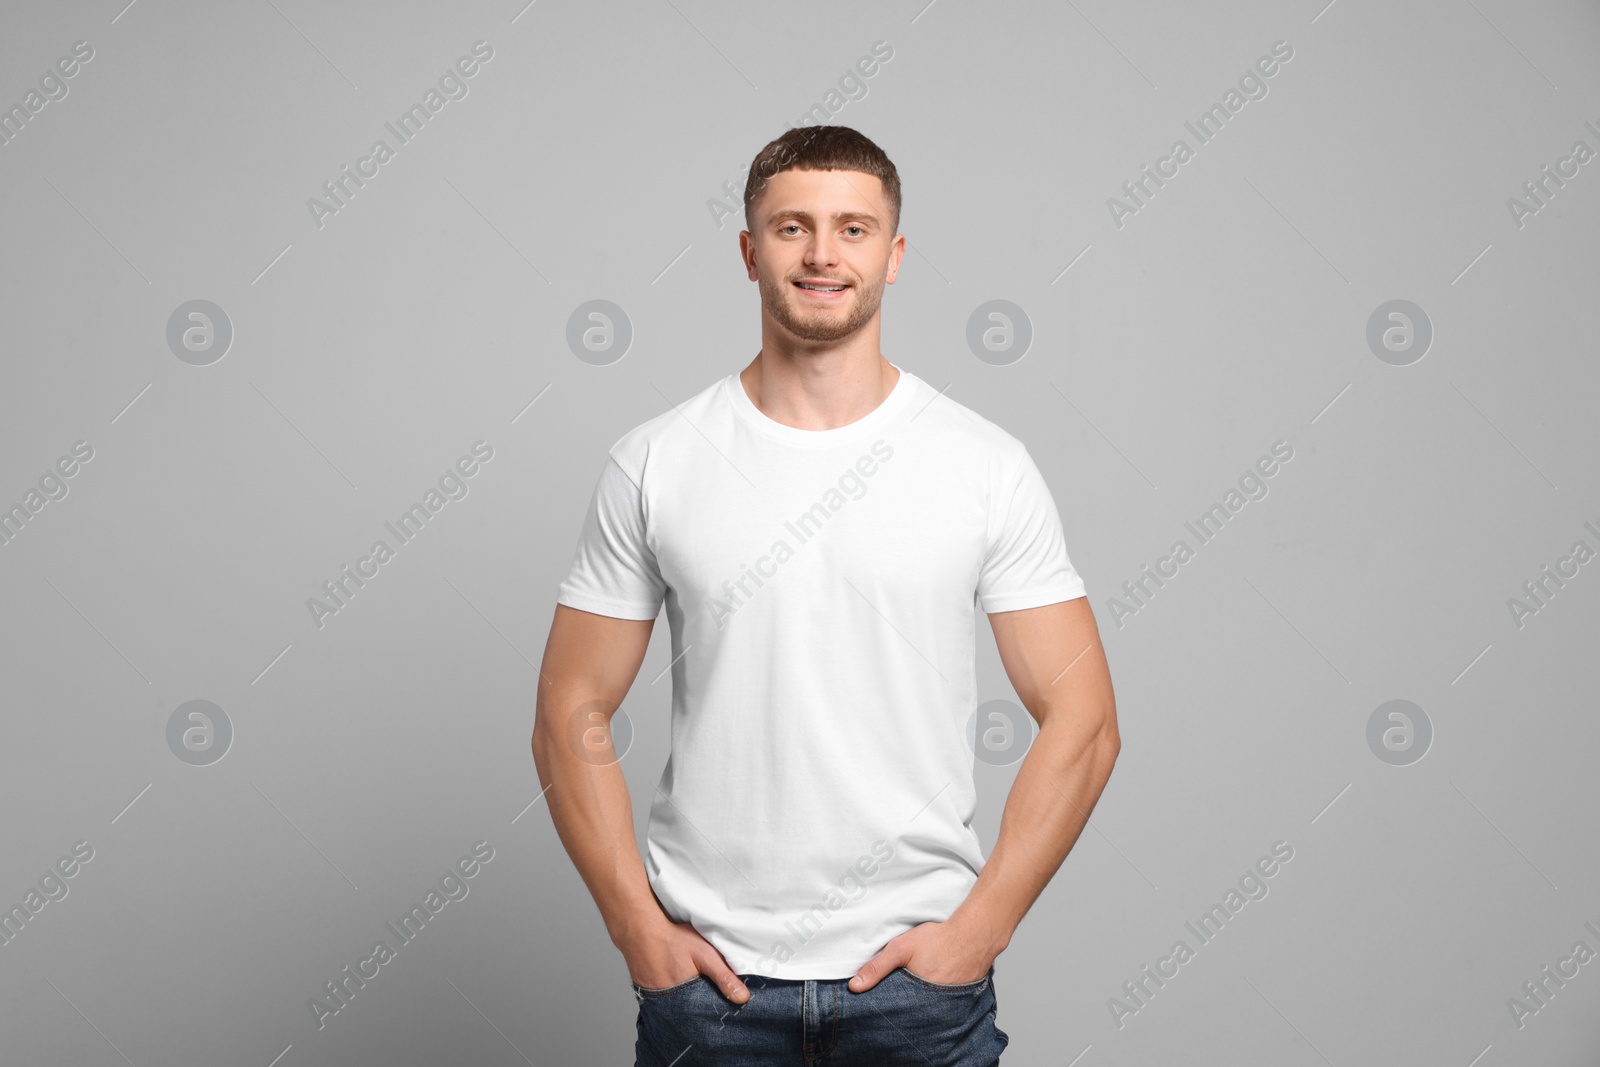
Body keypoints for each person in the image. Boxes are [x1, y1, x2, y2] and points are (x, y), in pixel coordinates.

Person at [532, 125, 1120, 1066]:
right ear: (748, 251)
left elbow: (1084, 718)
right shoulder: (657, 461)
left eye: (852, 228)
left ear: (893, 255)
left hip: (918, 993)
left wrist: (982, 929)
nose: (820, 254)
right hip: (707, 989)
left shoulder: (983, 466)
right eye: (791, 227)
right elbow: (570, 709)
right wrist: (636, 930)